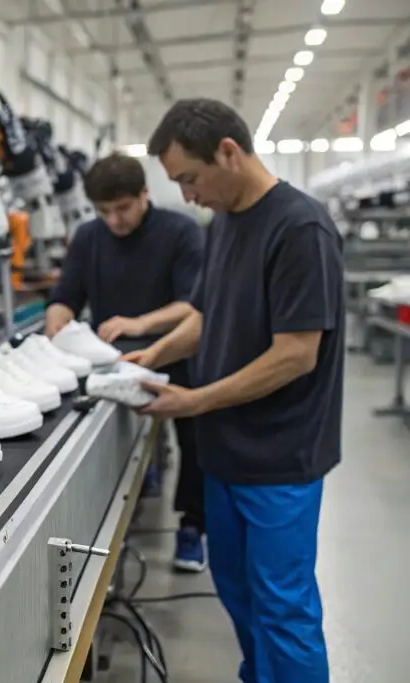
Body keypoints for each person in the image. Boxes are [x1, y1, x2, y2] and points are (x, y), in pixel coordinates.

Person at [128, 98, 343, 683]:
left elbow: (296, 355)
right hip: (225, 453)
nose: (188, 196)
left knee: (283, 608)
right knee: (240, 597)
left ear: (228, 151)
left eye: (189, 179)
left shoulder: (300, 227)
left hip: (281, 459)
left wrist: (194, 402)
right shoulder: (223, 223)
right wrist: (152, 355)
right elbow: (207, 314)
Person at [44, 153, 207, 572]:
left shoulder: (181, 232)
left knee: (196, 442)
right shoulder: (88, 237)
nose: (114, 220)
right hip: (114, 364)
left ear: (144, 194)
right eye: (104, 211)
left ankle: (191, 527)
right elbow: (66, 296)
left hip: (176, 353)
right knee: (117, 444)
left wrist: (140, 322)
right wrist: (56, 324)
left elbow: (195, 304)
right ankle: (133, 498)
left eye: (122, 208)